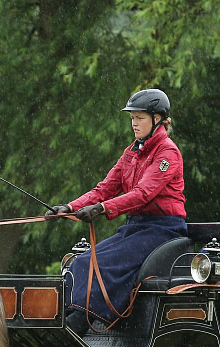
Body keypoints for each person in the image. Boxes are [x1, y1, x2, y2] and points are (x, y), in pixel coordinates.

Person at [48, 88, 187, 334]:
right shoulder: (132, 151)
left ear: (157, 119)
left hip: (163, 229)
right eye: (132, 118)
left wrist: (101, 209)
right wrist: (70, 207)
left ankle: (83, 322)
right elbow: (105, 188)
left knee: (103, 264)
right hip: (136, 227)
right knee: (81, 262)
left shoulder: (168, 152)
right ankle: (69, 316)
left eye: (140, 118)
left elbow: (144, 193)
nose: (134, 123)